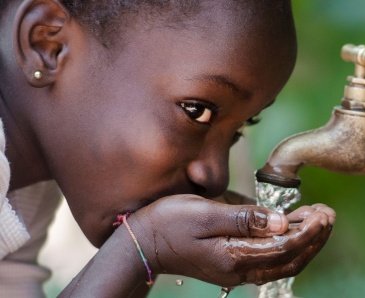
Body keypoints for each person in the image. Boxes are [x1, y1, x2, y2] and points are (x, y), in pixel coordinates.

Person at [0, 0, 336, 296]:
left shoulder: (23, 192)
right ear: (47, 43)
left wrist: (149, 251)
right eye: (196, 111)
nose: (215, 177)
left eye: (240, 128)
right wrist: (142, 246)